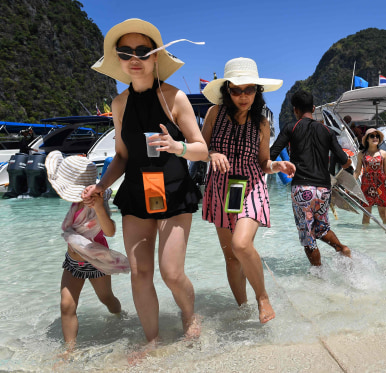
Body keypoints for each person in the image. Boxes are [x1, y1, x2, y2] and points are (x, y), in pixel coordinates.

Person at [84, 18, 208, 343]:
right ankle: (151, 340)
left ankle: (189, 313)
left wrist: (177, 146)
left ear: (156, 57)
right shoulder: (119, 104)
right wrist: (101, 186)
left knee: (171, 272)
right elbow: (122, 156)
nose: (134, 58)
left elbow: (202, 150)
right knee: (139, 273)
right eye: (125, 53)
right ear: (120, 61)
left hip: (174, 190)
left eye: (143, 50)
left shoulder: (174, 97)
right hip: (138, 192)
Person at [201, 57, 295, 323]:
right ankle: (242, 310)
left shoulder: (262, 124)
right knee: (231, 257)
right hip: (220, 187)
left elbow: (263, 163)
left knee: (241, 244)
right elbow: (199, 150)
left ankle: (262, 297)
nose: (243, 96)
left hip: (250, 186)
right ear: (227, 91)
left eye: (249, 89)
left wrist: (277, 165)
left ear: (257, 91)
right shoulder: (214, 114)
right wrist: (212, 154)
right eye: (236, 90)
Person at [45, 151, 129, 351]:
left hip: (95, 262)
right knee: (67, 305)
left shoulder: (96, 203)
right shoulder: (77, 203)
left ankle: (120, 316)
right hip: (72, 262)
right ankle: (69, 351)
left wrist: (99, 207)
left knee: (107, 299)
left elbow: (110, 231)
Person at [270, 90, 352, 267]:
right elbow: (345, 162)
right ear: (313, 108)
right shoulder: (327, 130)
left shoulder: (291, 128)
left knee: (307, 234)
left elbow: (272, 154)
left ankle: (318, 275)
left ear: (295, 110)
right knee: (321, 228)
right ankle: (342, 248)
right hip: (323, 189)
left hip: (302, 189)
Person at [354, 128, 386, 226]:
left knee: (383, 214)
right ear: (367, 139)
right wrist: (351, 184)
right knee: (366, 214)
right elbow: (357, 171)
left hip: (381, 185)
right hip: (366, 185)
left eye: (377, 136)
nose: (375, 138)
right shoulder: (361, 154)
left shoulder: (383, 153)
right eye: (372, 136)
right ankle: (366, 237)